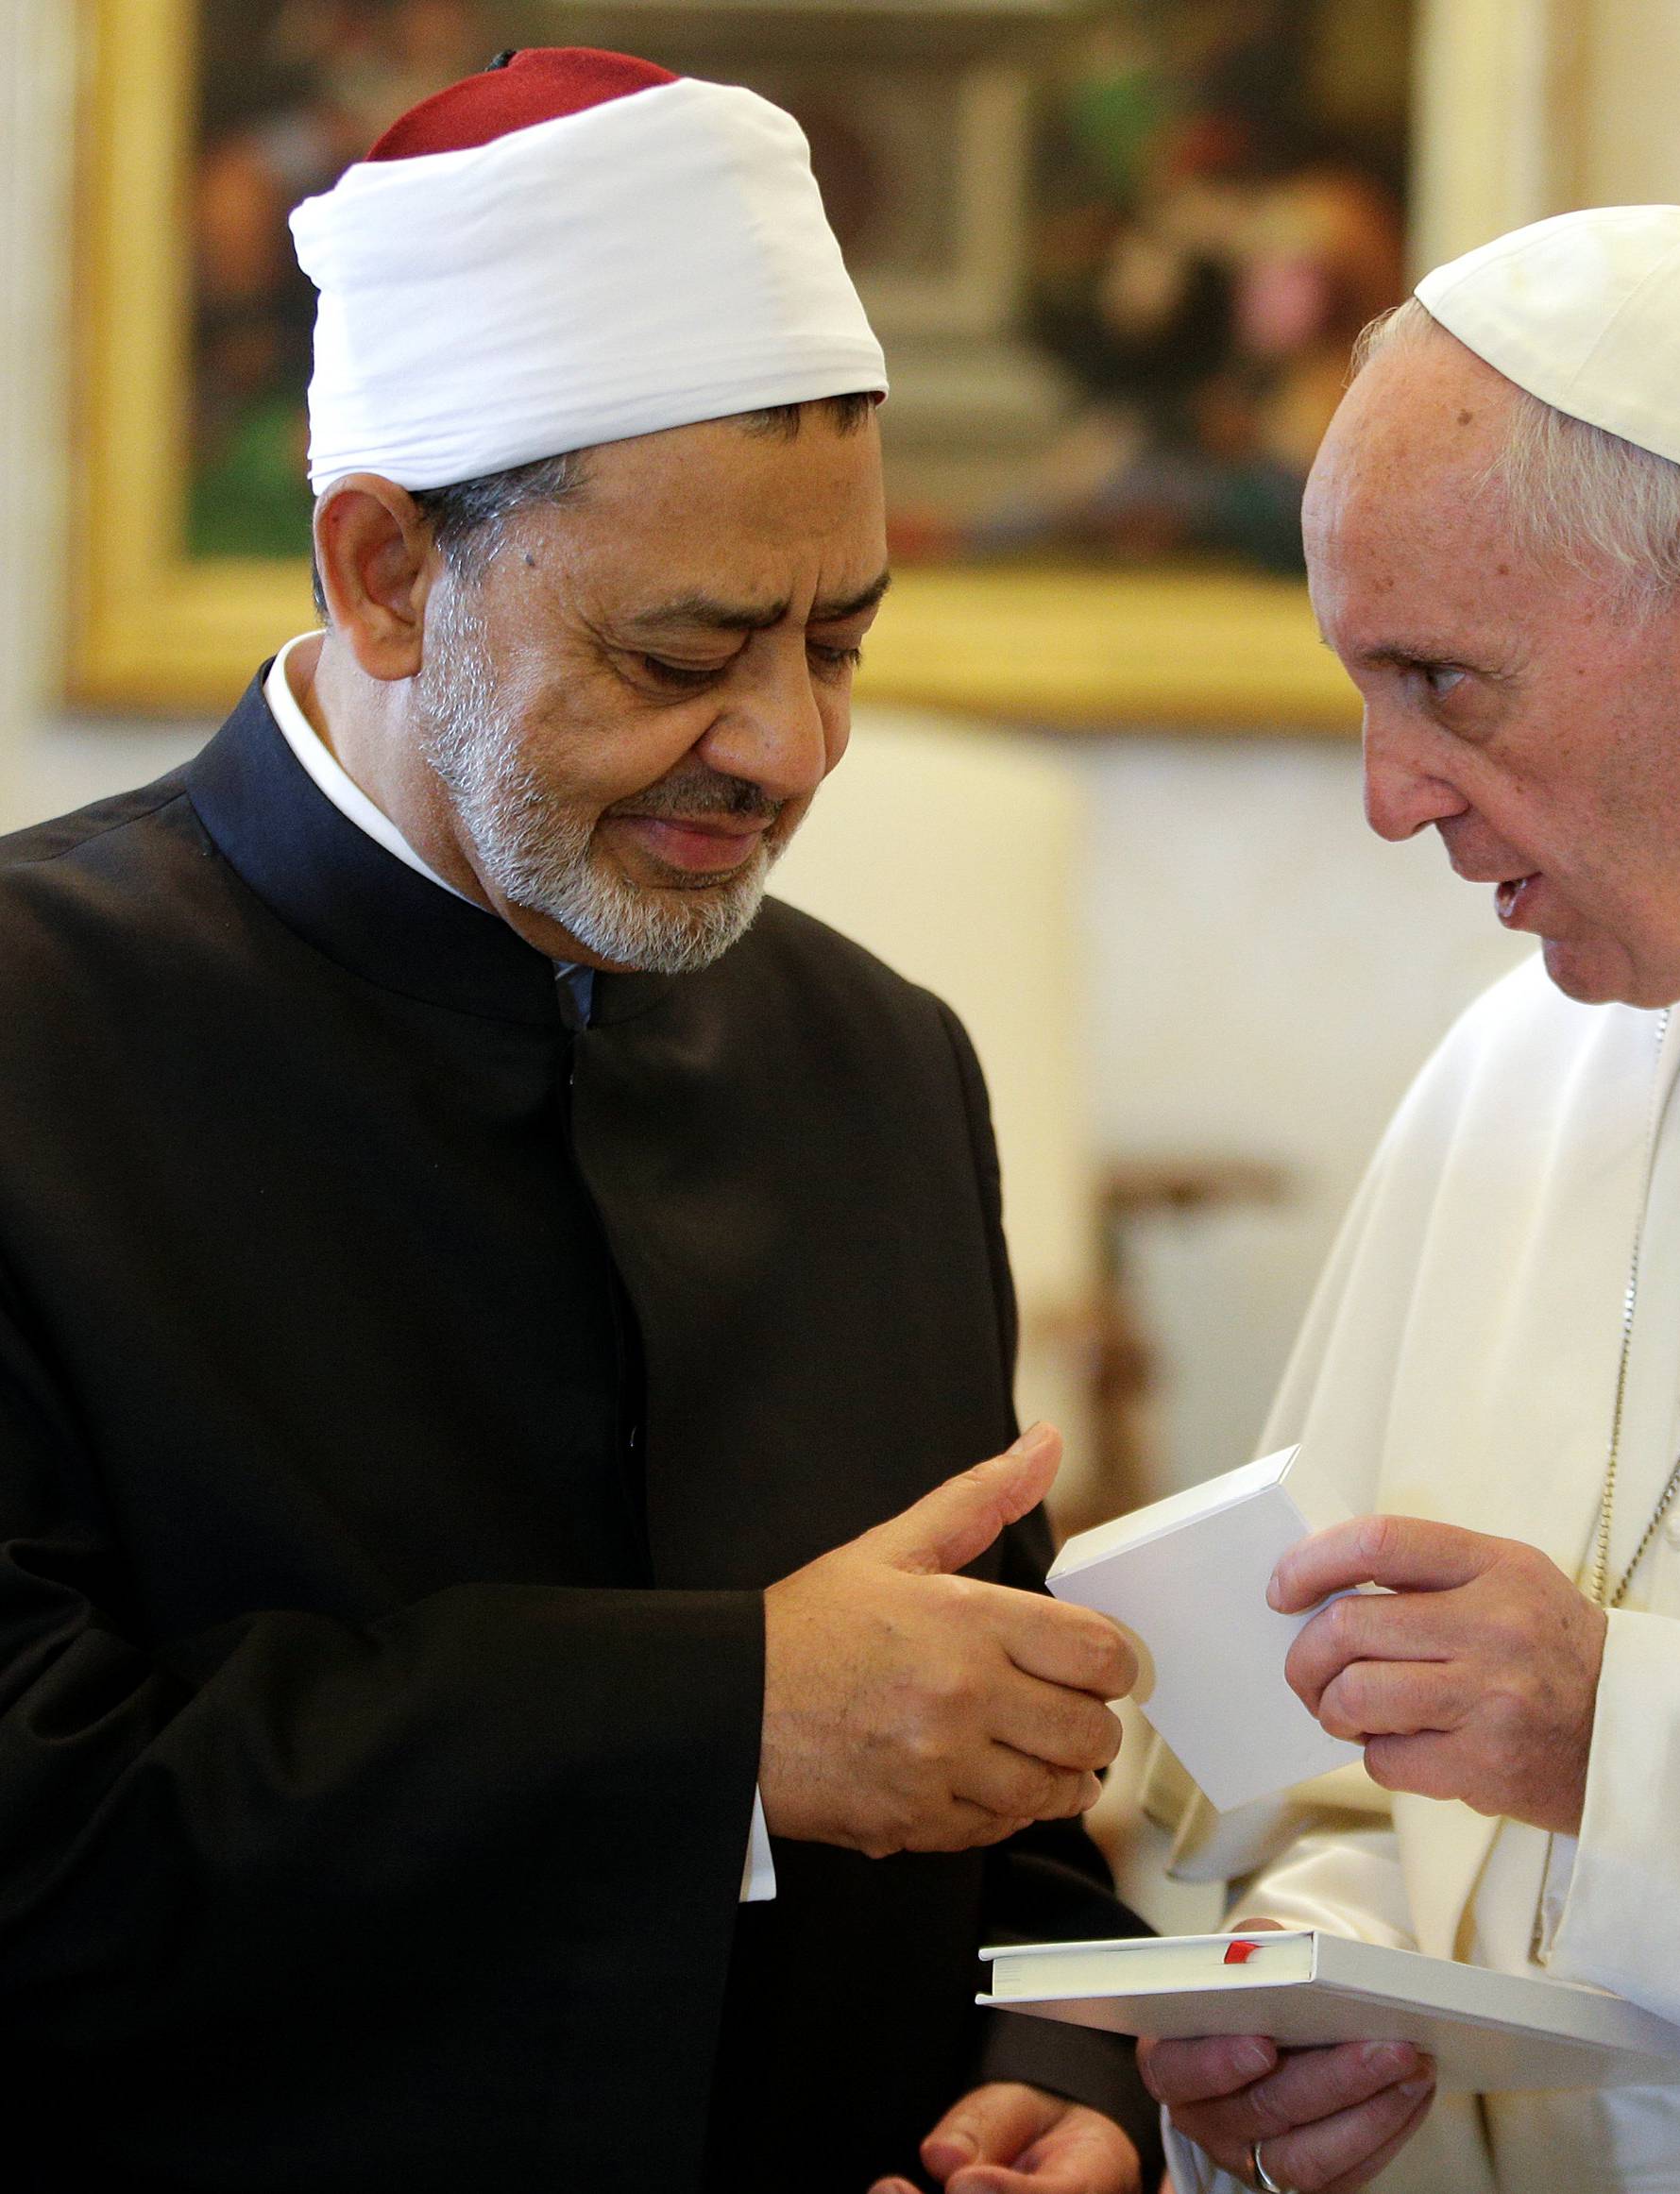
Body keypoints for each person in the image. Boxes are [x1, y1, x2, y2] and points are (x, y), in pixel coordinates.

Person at [0, 47, 1162, 2193]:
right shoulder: (35, 1037)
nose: (790, 745)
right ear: (380, 571)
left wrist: (1076, 2072)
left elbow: (994, 1797)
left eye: (843, 639)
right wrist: (716, 1727)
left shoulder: (884, 1063)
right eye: (685, 649)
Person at [1144, 193, 1680, 2194]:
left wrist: (1621, 1728)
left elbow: (1562, 1733)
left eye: (1446, 681)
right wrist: (1314, 1992)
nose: (1388, 792)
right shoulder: (1506, 1072)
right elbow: (1312, 1791)